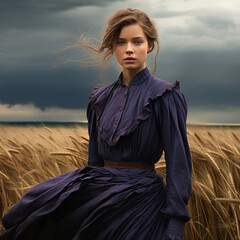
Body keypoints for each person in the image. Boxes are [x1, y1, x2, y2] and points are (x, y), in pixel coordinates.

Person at [0, 8, 192, 240]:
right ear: (114, 46)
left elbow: (178, 163)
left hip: (143, 202)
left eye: (137, 41)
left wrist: (175, 223)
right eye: (121, 42)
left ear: (149, 46)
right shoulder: (100, 99)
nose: (129, 49)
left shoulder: (165, 96)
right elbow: (95, 161)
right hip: (101, 198)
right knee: (33, 215)